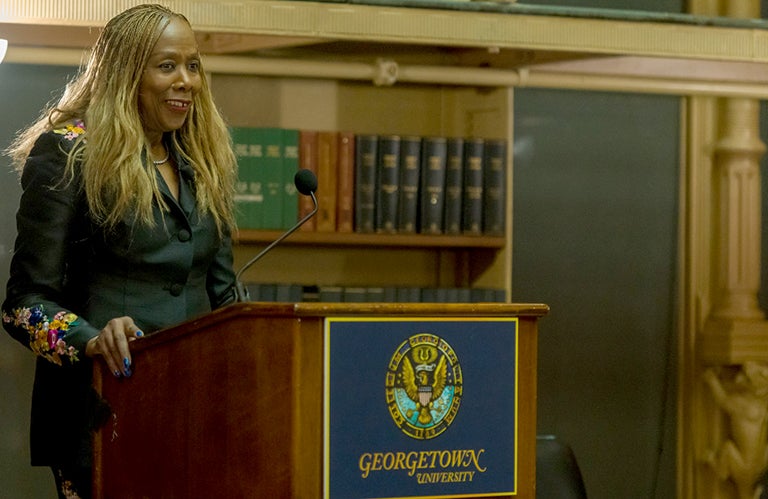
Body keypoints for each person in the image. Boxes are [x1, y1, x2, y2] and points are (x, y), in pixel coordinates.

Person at [2, 4, 238, 498]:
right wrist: (91, 340)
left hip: (196, 416)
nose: (187, 81)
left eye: (193, 65)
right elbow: (23, 306)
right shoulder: (69, 153)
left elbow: (225, 295)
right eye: (167, 65)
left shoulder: (202, 160)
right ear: (127, 73)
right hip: (100, 414)